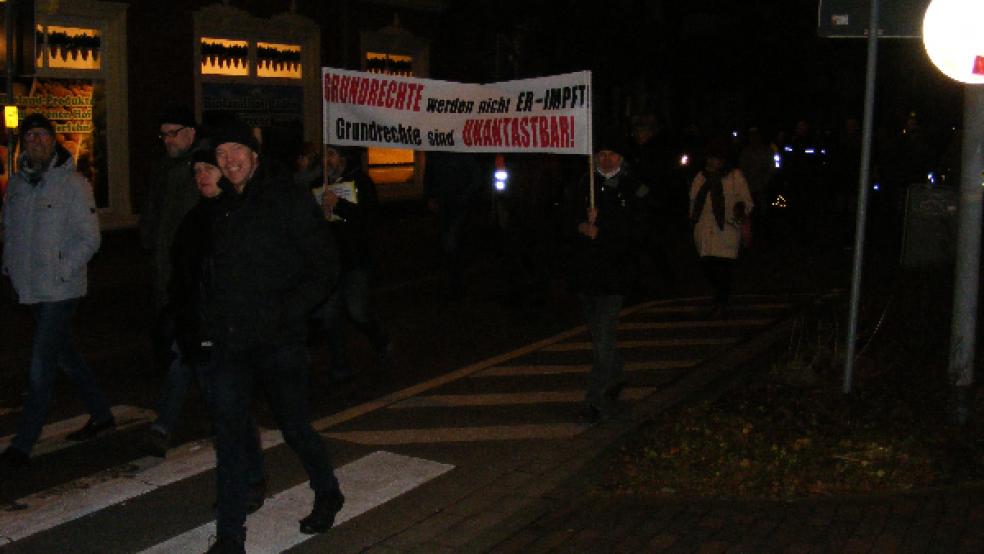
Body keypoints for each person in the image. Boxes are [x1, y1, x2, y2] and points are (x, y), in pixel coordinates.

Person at [203, 121, 344, 553]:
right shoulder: (219, 207)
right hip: (230, 344)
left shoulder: (285, 198)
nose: (229, 160)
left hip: (279, 341)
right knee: (228, 438)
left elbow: (325, 268)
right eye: (222, 153)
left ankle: (328, 492)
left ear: (255, 155)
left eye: (237, 150)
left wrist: (286, 313)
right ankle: (230, 537)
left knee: (294, 427)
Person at [0, 113, 114, 477]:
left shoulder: (73, 184)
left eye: (41, 135)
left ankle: (23, 444)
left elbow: (90, 238)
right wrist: (10, 268)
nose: (35, 141)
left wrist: (64, 269)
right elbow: (9, 230)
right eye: (29, 136)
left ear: (53, 141)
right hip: (29, 288)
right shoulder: (17, 185)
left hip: (61, 289)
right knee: (66, 355)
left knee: (41, 365)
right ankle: (101, 413)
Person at [141, 106, 209, 456]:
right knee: (188, 352)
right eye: (163, 134)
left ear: (190, 134)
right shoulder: (163, 169)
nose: (167, 140)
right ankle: (217, 411)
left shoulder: (203, 169)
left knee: (184, 350)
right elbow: (156, 220)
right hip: (170, 275)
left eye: (173, 132)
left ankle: (164, 423)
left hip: (196, 282)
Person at [564, 136, 645, 423]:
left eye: (613, 154)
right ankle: (618, 373)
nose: (606, 159)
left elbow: (638, 230)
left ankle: (594, 400)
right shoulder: (584, 184)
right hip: (588, 276)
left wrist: (605, 230)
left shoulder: (632, 187)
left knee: (603, 341)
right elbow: (567, 216)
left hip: (615, 276)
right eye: (602, 153)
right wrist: (581, 224)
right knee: (599, 336)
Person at [315, 144, 391, 382]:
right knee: (330, 315)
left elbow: (368, 219)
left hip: (356, 257)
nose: (327, 160)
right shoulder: (319, 183)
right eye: (325, 155)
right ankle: (339, 365)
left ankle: (380, 340)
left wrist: (340, 205)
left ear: (343, 158)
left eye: (332, 155)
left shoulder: (361, 182)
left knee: (357, 311)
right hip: (330, 259)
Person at [689, 139, 753, 319]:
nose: (711, 162)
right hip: (705, 227)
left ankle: (721, 301)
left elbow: (746, 200)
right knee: (708, 265)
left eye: (715, 158)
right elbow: (694, 202)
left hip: (727, 227)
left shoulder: (734, 176)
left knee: (724, 268)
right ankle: (719, 298)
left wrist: (739, 209)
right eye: (709, 158)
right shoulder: (700, 177)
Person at [423, 151, 484, 298]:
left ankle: (455, 281)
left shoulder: (461, 154)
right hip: (445, 203)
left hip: (458, 205)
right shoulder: (437, 154)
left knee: (452, 241)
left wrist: (464, 197)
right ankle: (453, 279)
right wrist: (430, 196)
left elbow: (475, 178)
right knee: (448, 241)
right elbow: (429, 175)